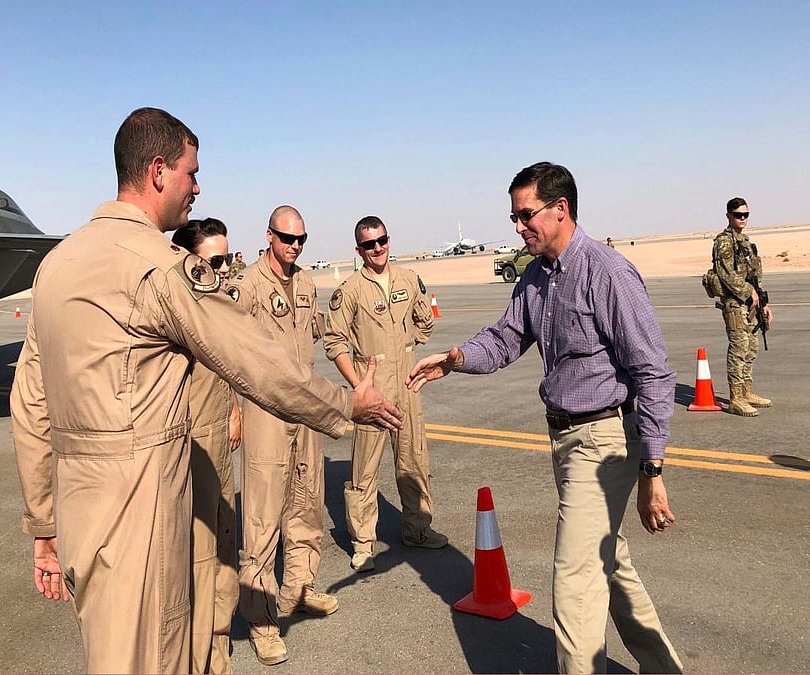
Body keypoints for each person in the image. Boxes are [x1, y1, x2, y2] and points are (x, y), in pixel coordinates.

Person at [9, 107, 403, 674]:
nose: (197, 187)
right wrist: (345, 403)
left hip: (78, 512)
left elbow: (30, 404)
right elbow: (255, 360)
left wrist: (44, 523)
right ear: (158, 171)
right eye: (191, 174)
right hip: (140, 512)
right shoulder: (159, 268)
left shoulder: (56, 265)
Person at [407, 162, 683, 674]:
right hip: (565, 438)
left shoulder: (607, 272)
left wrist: (653, 469)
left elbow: (653, 373)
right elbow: (506, 337)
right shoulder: (536, 277)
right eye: (514, 217)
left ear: (561, 209)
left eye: (526, 215)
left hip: (604, 440)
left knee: (574, 589)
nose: (518, 227)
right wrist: (457, 359)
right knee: (609, 564)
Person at [228, 205, 337, 666]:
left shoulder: (306, 283)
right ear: (269, 236)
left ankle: (299, 587)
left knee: (306, 502)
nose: (295, 246)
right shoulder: (247, 286)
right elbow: (225, 350)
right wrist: (233, 409)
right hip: (265, 411)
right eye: (287, 238)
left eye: (301, 239)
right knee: (262, 516)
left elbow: (322, 334)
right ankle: (261, 620)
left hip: (304, 409)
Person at [324, 215, 446, 575]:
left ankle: (417, 529)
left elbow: (425, 321)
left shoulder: (408, 279)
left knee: (414, 460)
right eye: (369, 244)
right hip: (372, 387)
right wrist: (358, 384)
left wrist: (409, 346)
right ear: (359, 249)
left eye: (382, 241)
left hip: (406, 383)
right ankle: (363, 543)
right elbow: (334, 341)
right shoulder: (350, 290)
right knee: (365, 470)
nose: (377, 248)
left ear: (389, 240)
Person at [171, 218, 240, 674]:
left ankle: (218, 655)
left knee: (225, 552)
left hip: (220, 443)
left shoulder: (216, 303)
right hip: (191, 446)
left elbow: (227, 366)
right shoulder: (176, 309)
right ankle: (201, 662)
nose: (224, 269)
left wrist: (235, 410)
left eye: (227, 259)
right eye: (215, 261)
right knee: (198, 562)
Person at [712, 197, 773, 416]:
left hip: (752, 305)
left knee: (751, 348)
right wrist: (748, 291)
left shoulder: (745, 241)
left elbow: (754, 276)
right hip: (735, 304)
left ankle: (747, 392)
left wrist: (763, 303)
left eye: (746, 215)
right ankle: (736, 398)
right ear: (728, 215)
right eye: (738, 215)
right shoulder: (724, 242)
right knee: (739, 348)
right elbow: (726, 274)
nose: (743, 219)